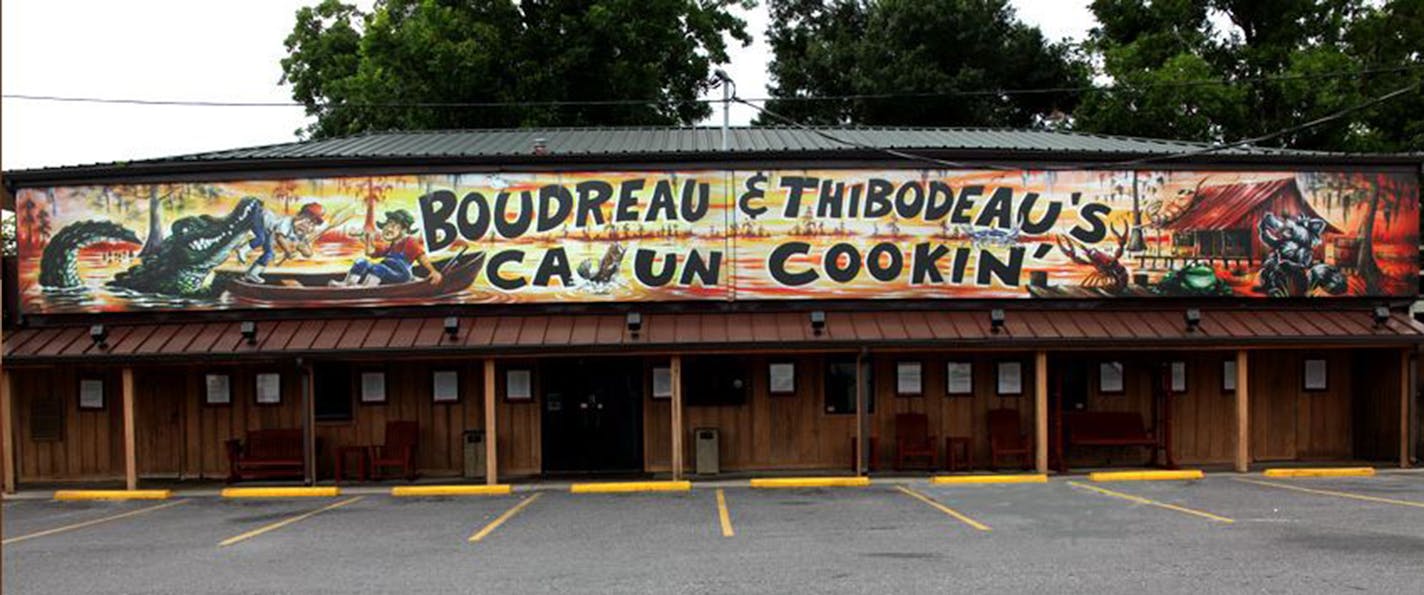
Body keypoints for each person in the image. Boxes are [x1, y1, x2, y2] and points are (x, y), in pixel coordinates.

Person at [331, 209, 443, 286]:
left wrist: (433, 271)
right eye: (388, 224)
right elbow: (370, 252)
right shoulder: (390, 246)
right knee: (361, 262)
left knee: (378, 268)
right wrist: (365, 237)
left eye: (394, 226)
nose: (388, 228)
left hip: (402, 275)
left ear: (404, 230)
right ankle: (348, 284)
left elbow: (421, 257)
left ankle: (366, 289)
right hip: (387, 272)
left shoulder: (409, 242)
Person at [236, 202, 324, 283]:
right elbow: (279, 238)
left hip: (268, 230)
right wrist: (288, 251)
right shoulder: (287, 222)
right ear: (298, 215)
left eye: (312, 223)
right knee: (260, 239)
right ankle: (242, 249)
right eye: (305, 219)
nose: (306, 224)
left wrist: (303, 248)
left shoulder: (300, 233)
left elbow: (308, 253)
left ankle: (252, 273)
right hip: (260, 217)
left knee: (269, 254)